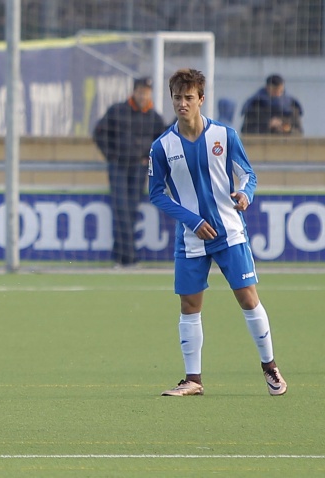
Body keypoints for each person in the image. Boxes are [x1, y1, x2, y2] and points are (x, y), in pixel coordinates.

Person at [148, 68, 286, 397]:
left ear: (201, 99)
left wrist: (245, 194)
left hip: (230, 234)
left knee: (248, 299)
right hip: (192, 238)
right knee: (189, 306)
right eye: (177, 98)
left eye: (188, 98)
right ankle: (193, 380)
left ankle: (270, 367)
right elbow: (156, 193)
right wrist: (191, 220)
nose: (182, 103)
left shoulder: (224, 136)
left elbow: (248, 175)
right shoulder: (162, 146)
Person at [93, 77, 166, 267]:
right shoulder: (118, 111)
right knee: (121, 210)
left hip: (139, 169)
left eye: (147, 92)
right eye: (141, 91)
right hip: (118, 166)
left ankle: (121, 256)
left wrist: (149, 157)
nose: (143, 95)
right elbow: (99, 133)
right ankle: (128, 257)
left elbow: (163, 142)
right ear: (134, 91)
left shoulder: (154, 117)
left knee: (131, 211)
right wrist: (111, 155)